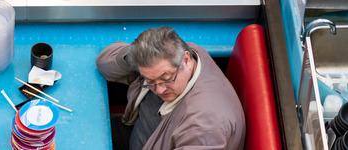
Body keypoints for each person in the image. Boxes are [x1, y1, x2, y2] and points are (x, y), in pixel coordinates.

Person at [96, 27, 245, 150]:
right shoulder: (183, 54)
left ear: (186, 60)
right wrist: (135, 58)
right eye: (150, 80)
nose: (160, 90)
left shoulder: (204, 129)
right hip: (137, 132)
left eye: (166, 79)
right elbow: (104, 64)